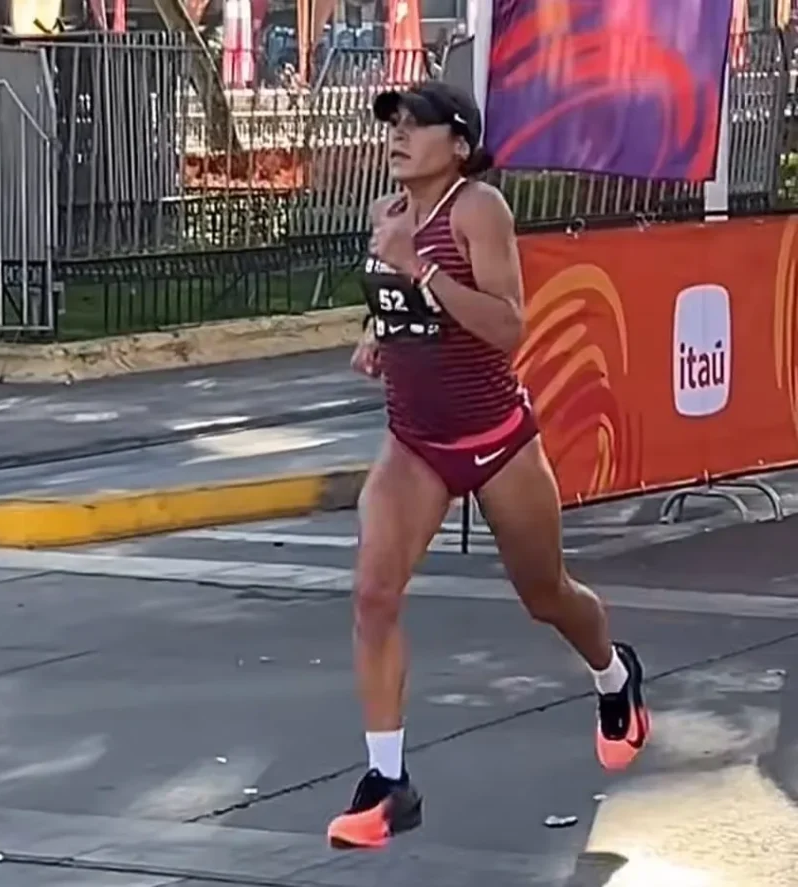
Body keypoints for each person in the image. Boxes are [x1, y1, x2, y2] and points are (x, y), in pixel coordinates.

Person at [326, 81, 650, 850]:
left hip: (498, 439)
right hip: (416, 441)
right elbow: (403, 308)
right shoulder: (387, 214)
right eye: (393, 124)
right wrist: (379, 334)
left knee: (546, 594)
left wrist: (422, 269)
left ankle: (614, 675)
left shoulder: (478, 210)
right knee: (373, 593)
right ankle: (387, 781)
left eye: (417, 125)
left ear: (460, 145)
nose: (398, 136)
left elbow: (507, 327)